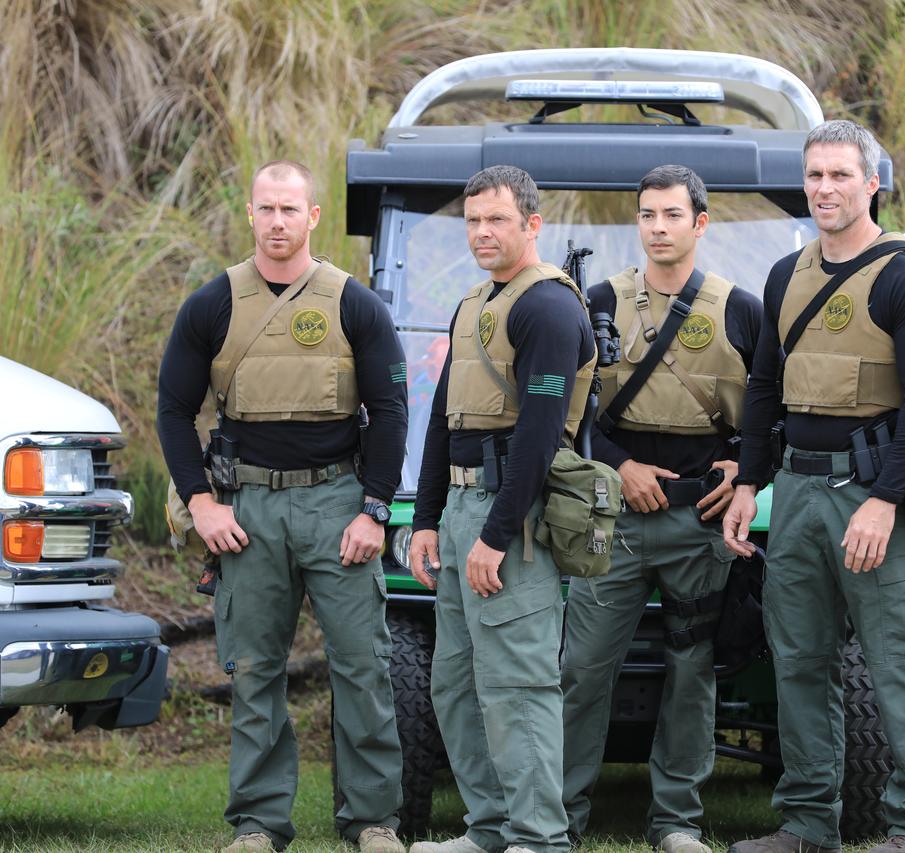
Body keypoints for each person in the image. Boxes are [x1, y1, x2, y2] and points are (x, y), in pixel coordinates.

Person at [157, 160, 407, 853]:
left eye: (289, 209)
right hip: (247, 511)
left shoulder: (354, 303)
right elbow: (174, 410)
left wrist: (375, 509)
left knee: (363, 665)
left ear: (313, 216)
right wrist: (202, 503)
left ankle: (373, 820)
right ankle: (259, 823)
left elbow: (391, 409)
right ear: (250, 213)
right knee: (254, 670)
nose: (276, 222)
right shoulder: (212, 304)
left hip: (337, 503)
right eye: (265, 208)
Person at [723, 119, 905, 853]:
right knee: (799, 661)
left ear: (872, 184)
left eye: (841, 175)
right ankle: (807, 823)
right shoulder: (784, 276)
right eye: (815, 175)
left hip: (874, 494)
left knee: (898, 663)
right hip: (795, 493)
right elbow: (765, 387)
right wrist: (748, 482)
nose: (825, 188)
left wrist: (884, 502)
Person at [559, 165, 763, 853]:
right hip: (613, 518)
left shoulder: (740, 310)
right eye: (647, 215)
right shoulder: (597, 303)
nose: (658, 227)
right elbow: (570, 412)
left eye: (673, 215)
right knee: (583, 667)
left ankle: (676, 820)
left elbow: (772, 408)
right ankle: (559, 817)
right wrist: (620, 466)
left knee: (691, 671)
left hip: (697, 520)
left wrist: (744, 466)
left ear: (700, 223)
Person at [406, 165, 595, 853]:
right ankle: (488, 828)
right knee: (455, 682)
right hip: (460, 508)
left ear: (532, 225)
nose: (482, 232)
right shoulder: (473, 303)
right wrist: (426, 520)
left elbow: (540, 436)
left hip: (513, 515)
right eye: (473, 221)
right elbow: (441, 421)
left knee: (519, 683)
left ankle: (539, 837)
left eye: (497, 220)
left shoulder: (548, 308)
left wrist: (495, 532)